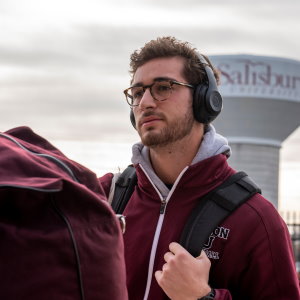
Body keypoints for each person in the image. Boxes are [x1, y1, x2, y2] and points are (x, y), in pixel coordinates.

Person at [99, 36, 300, 300]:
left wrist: (202, 297)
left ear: (204, 101)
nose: (145, 102)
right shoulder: (106, 197)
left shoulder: (256, 219)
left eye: (163, 87)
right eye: (137, 93)